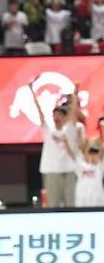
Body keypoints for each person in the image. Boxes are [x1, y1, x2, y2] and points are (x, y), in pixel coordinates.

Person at [30, 79, 79, 208]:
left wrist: (75, 95)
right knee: (53, 205)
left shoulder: (69, 130)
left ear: (64, 117)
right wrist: (32, 92)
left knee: (71, 205)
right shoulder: (48, 131)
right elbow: (39, 112)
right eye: (54, 115)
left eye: (59, 115)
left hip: (68, 171)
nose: (56, 117)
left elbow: (73, 113)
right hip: (52, 171)